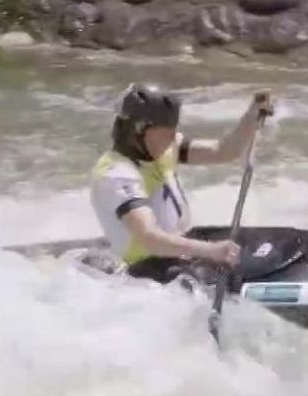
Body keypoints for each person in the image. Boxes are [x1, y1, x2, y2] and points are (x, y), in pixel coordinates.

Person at [89, 83, 276, 284]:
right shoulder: (117, 174)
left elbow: (224, 150)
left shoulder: (161, 149)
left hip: (182, 246)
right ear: (138, 131)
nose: (171, 140)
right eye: (165, 135)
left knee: (259, 245)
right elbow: (150, 239)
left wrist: (251, 116)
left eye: (172, 133)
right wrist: (211, 251)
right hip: (151, 267)